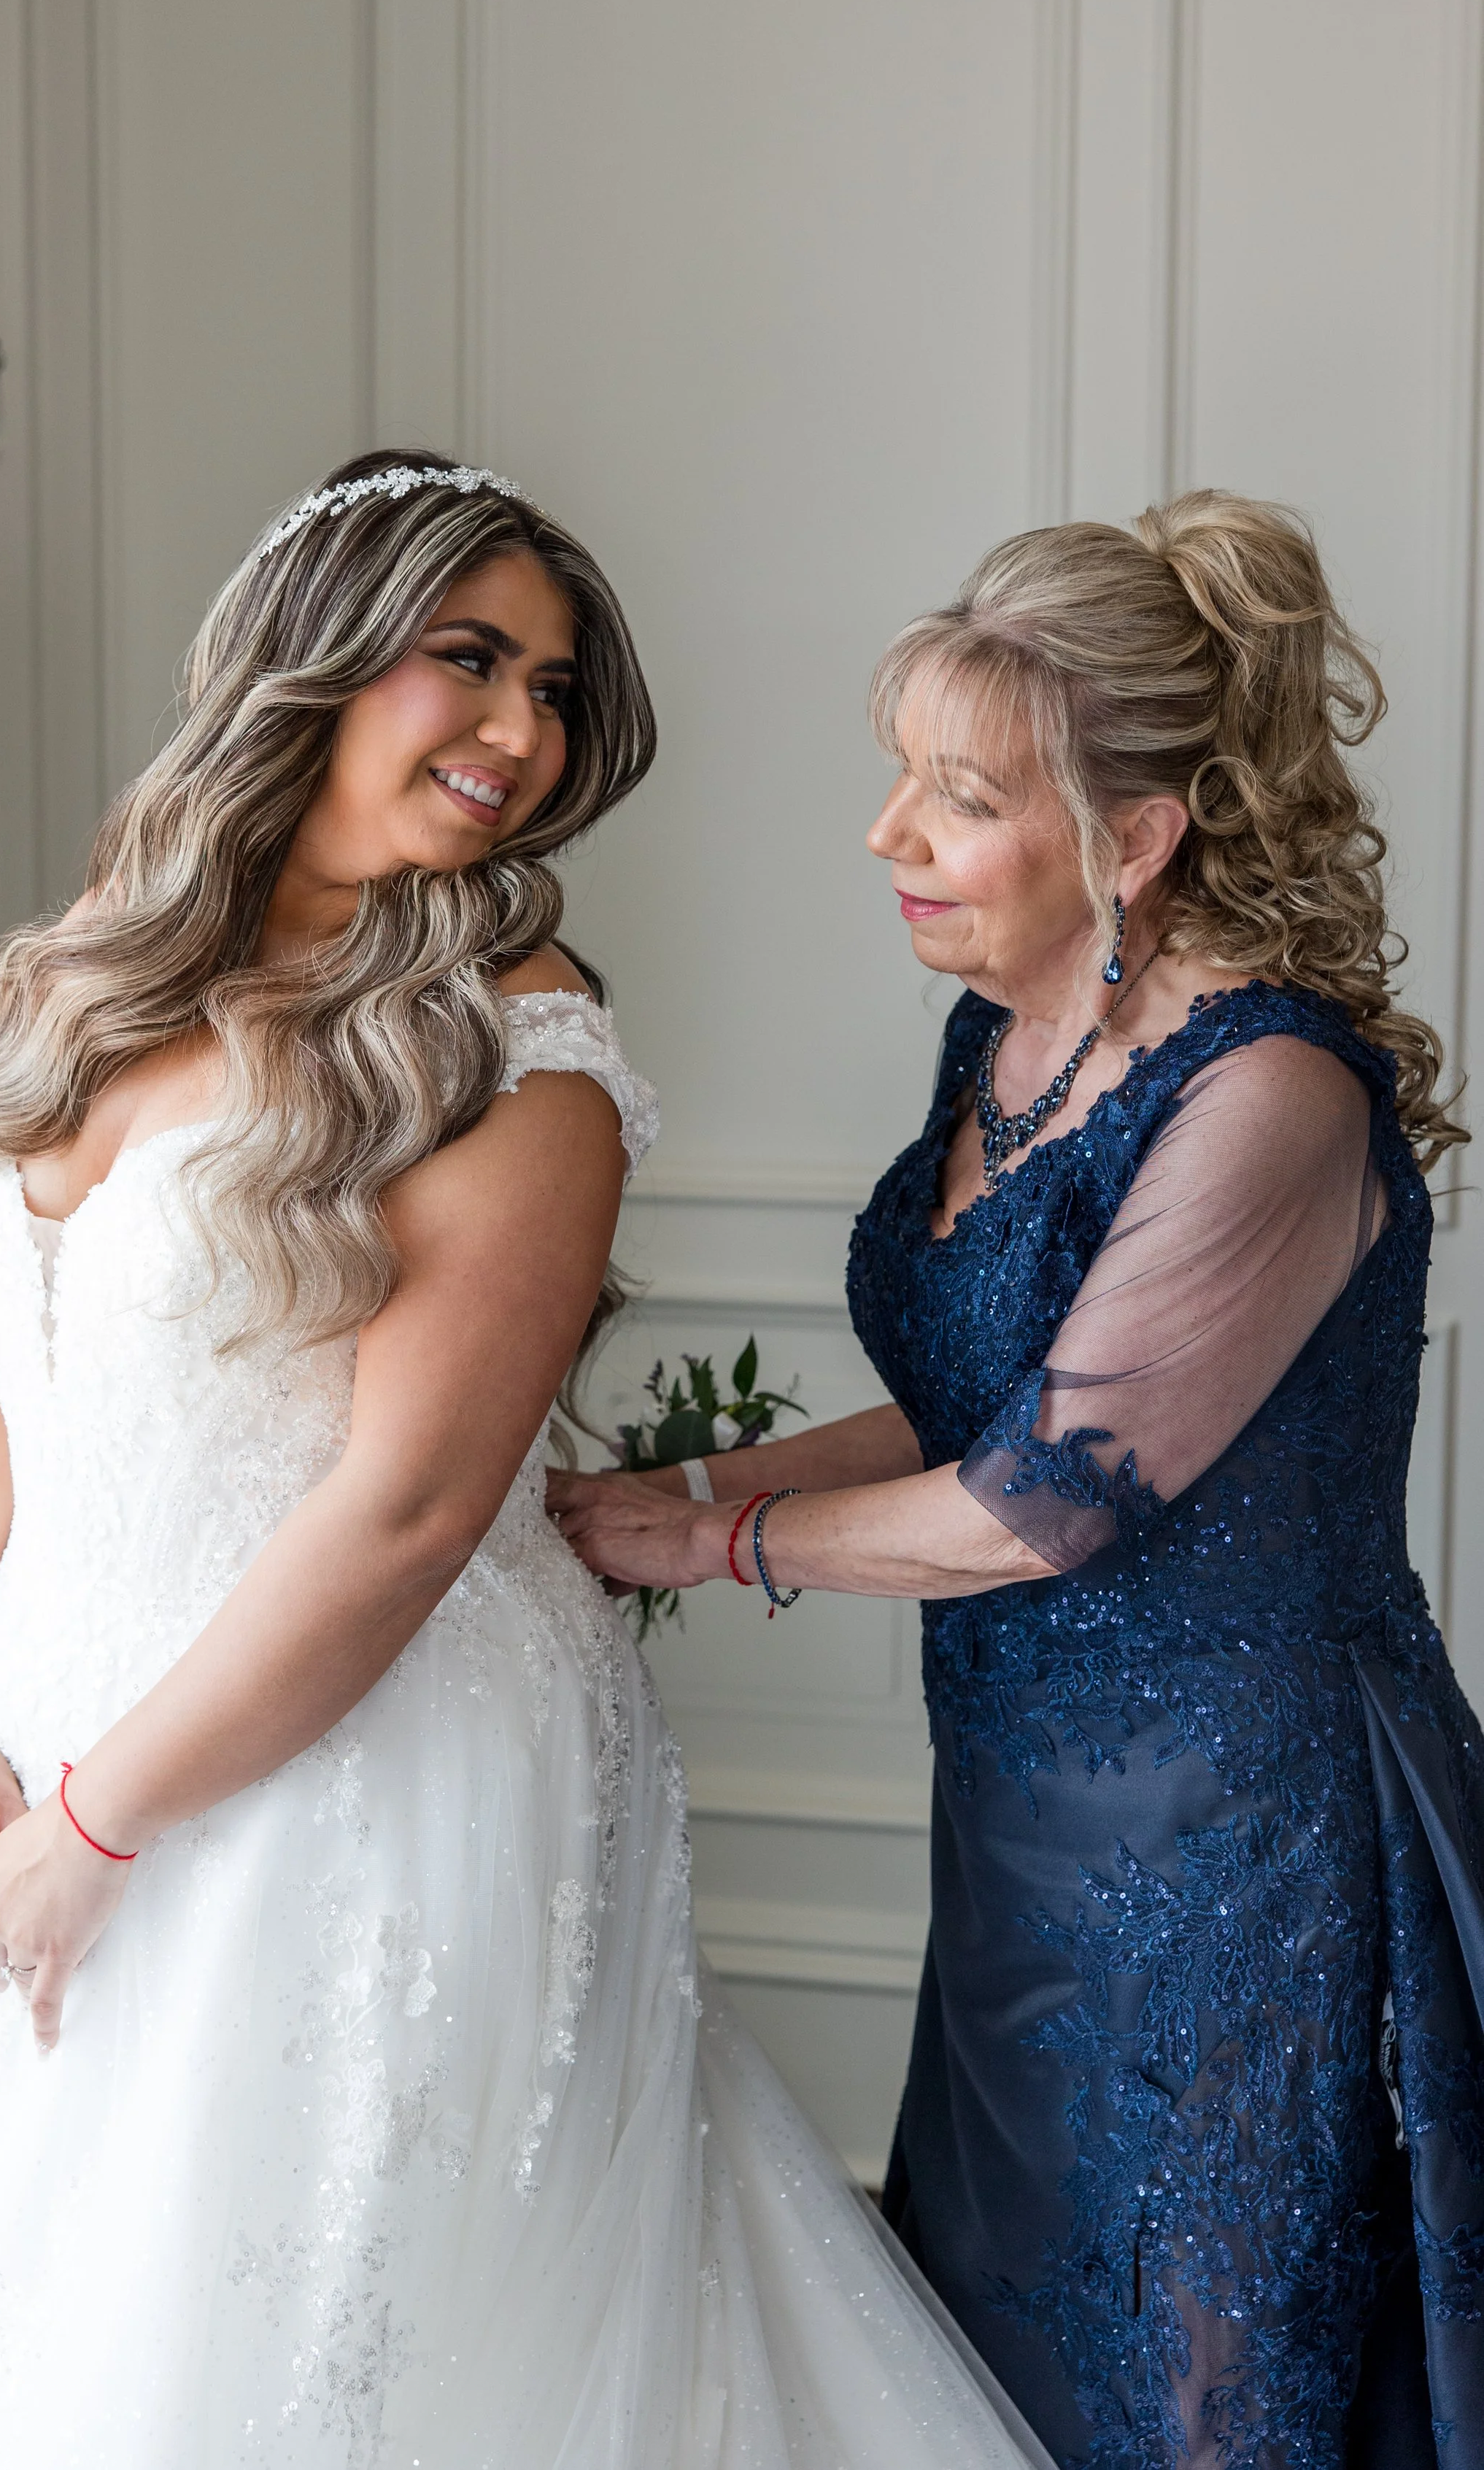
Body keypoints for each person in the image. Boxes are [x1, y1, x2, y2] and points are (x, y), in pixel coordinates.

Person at [0, 453, 1052, 2469]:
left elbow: (414, 1507)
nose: (522, 731)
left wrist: (103, 1832)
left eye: (555, 692)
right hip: (18, 1750)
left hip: (354, 1769)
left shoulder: (521, 1052)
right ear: (310, 659)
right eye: (471, 660)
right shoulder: (74, 977)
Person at [552, 492, 1484, 2470]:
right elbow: (974, 1402)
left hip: (1242, 1847)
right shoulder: (1007, 1036)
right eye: (901, 778)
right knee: (1000, 2362)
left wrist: (711, 1538)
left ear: (1133, 838)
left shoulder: (1267, 1094)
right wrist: (677, 1485)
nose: (885, 834)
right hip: (1022, 1836)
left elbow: (1034, 1498)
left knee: (1207, 2383)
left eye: (953, 797)